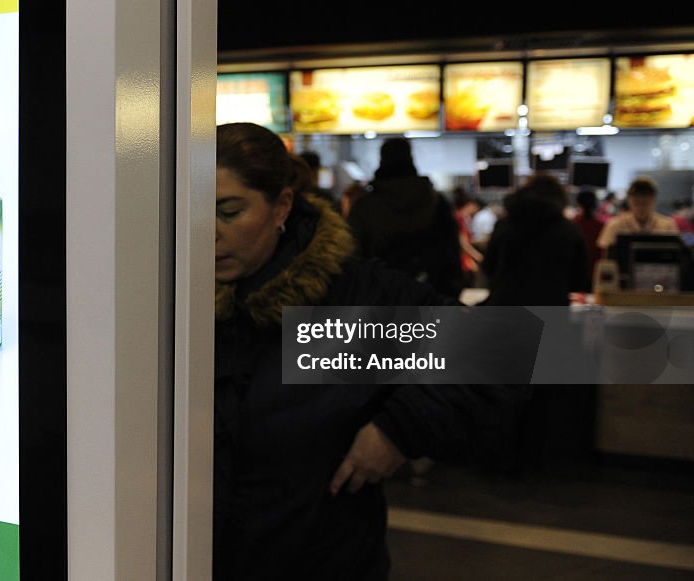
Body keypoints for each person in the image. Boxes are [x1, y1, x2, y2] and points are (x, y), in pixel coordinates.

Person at [214, 123, 522, 580]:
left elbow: (499, 350)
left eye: (230, 212)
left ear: (281, 206)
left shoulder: (340, 306)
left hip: (321, 561)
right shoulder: (171, 299)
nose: (207, 233)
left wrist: (399, 428)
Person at [347, 138, 464, 298]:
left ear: (381, 160)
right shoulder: (435, 201)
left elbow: (353, 256)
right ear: (411, 158)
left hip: (381, 298)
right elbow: (451, 251)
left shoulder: (365, 206)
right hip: (430, 295)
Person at [483, 174, 589, 305]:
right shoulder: (569, 231)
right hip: (550, 310)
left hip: (506, 307)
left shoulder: (504, 225)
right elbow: (578, 281)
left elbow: (488, 267)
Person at [596, 177, 678, 252]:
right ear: (629, 201)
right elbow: (605, 253)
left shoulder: (667, 225)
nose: (641, 207)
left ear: (654, 201)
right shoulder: (614, 225)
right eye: (636, 203)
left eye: (645, 203)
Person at [572, 190, 605, 286]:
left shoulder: (573, 224)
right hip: (595, 274)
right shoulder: (601, 226)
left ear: (578, 203)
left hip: (575, 273)